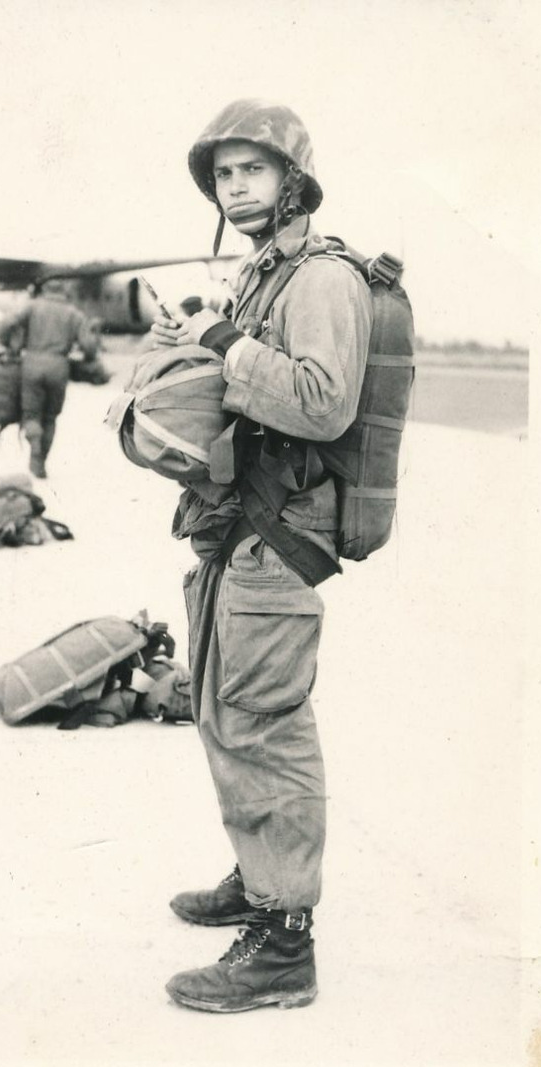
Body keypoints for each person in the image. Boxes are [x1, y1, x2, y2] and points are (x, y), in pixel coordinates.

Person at [149, 99, 373, 1013]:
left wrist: (224, 344)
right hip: (237, 524)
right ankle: (259, 872)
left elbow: (325, 405)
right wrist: (208, 337)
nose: (234, 186)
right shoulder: (261, 276)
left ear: (293, 181)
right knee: (219, 704)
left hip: (281, 536)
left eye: (252, 170)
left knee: (262, 721)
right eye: (223, 174)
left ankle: (284, 944)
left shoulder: (322, 279)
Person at [0, 276, 100, 478]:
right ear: (63, 292)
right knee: (50, 418)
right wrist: (88, 359)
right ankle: (41, 462)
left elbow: (7, 323)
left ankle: (34, 451)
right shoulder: (74, 314)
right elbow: (89, 345)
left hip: (32, 364)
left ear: (44, 290)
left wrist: (7, 344)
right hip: (59, 367)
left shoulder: (32, 306)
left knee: (31, 415)